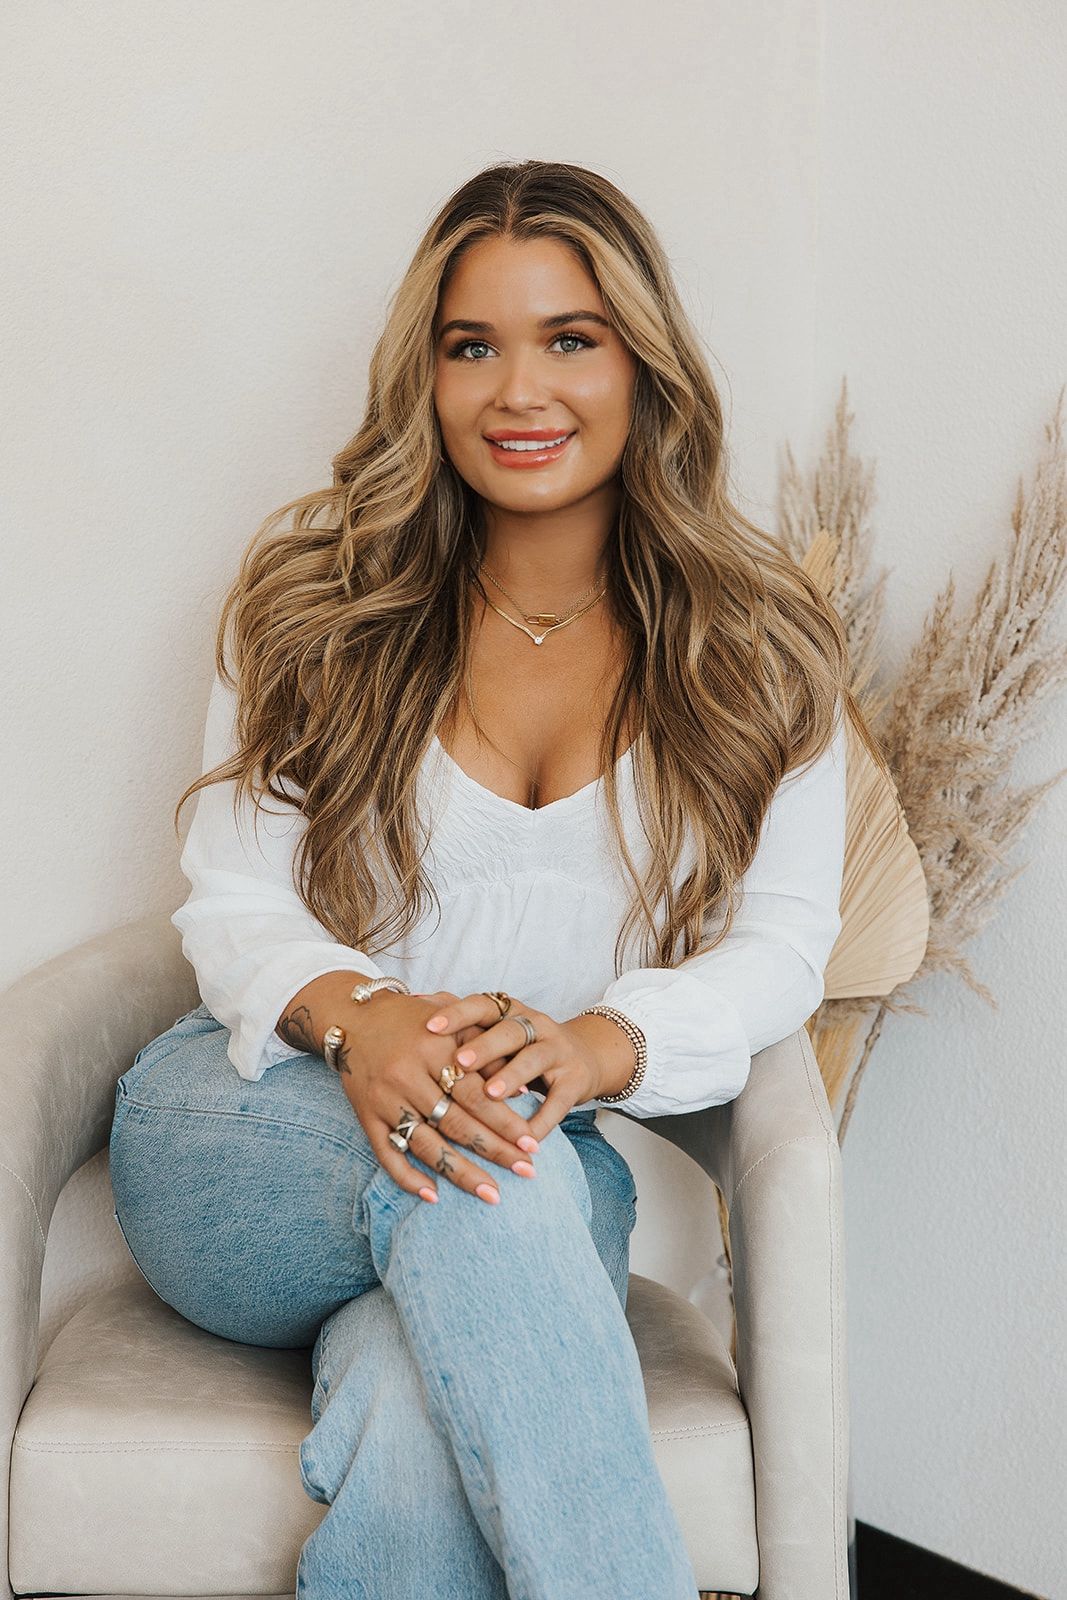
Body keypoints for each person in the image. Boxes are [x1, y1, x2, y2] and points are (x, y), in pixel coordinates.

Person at [109, 158, 879, 1599]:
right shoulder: (318, 604)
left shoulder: (759, 650)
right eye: (474, 346)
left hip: (532, 1162)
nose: (519, 391)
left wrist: (600, 1044)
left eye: (569, 338)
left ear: (645, 363)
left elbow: (783, 949)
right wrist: (363, 1018)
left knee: (418, 1402)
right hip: (252, 1128)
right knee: (506, 1169)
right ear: (427, 375)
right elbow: (234, 901)